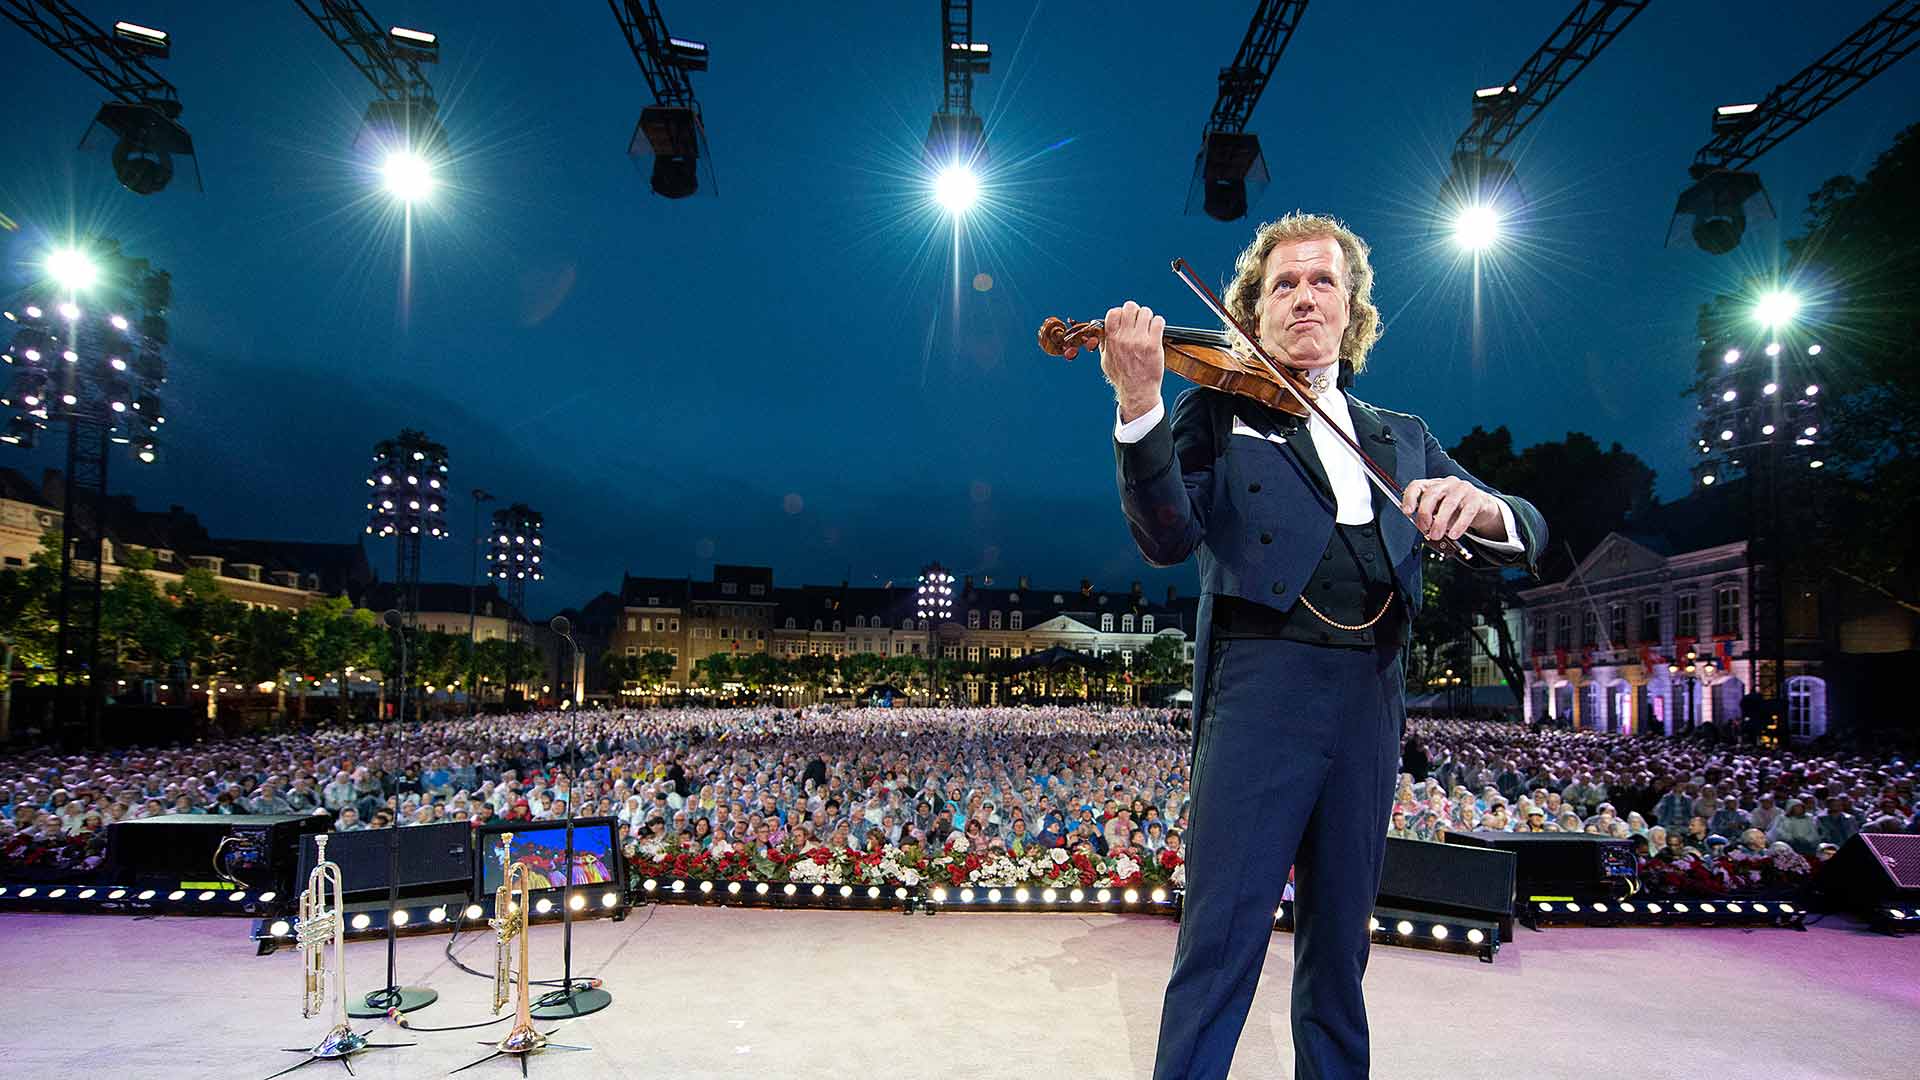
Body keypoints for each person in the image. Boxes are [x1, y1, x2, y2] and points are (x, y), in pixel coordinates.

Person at [1104, 212, 1546, 1080]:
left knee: (1342, 949)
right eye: (1283, 285)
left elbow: (1527, 527)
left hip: (1372, 697)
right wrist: (1138, 404)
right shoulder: (1216, 412)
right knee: (1222, 938)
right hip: (1259, 687)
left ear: (1352, 311)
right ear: (1251, 314)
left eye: (1322, 283)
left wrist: (1484, 509)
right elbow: (1164, 535)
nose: (1304, 298)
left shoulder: (1402, 436)